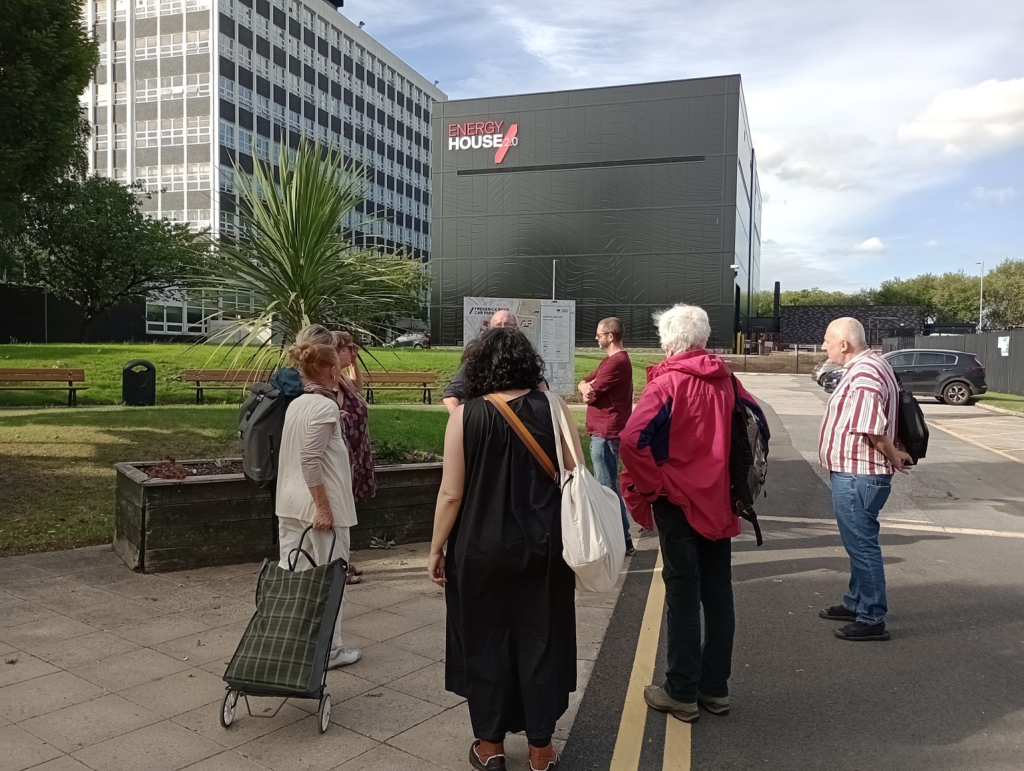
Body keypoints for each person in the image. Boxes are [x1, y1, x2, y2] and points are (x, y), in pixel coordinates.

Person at [429, 327, 579, 771]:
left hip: (479, 547)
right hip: (546, 545)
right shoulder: (553, 407)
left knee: (483, 639)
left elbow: (451, 494)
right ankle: (540, 750)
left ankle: (491, 745)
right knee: (543, 639)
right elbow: (575, 471)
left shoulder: (465, 416)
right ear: (527, 364)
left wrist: (437, 548)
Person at [619, 304, 756, 724]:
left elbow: (632, 441)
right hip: (720, 499)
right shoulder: (728, 380)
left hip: (679, 502)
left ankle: (680, 691)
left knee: (681, 596)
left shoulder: (669, 383)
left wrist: (654, 486)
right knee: (718, 596)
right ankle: (715, 689)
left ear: (669, 341)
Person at [817, 317, 911, 642]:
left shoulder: (865, 372)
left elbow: (871, 425)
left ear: (844, 344)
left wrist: (892, 453)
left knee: (861, 545)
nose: (824, 346)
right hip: (860, 472)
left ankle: (871, 617)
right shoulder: (874, 364)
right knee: (858, 542)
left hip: (859, 472)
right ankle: (856, 602)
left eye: (827, 340)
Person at [275, 323, 361, 668]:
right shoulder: (322, 407)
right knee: (328, 582)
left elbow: (308, 450)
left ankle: (289, 644)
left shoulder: (298, 404)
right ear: (333, 367)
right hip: (322, 511)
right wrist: (324, 508)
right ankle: (331, 650)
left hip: (290, 505)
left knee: (292, 579)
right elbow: (310, 460)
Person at [578, 317, 636, 556]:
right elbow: (584, 383)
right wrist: (583, 386)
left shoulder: (617, 362)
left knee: (606, 491)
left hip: (606, 433)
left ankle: (621, 542)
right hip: (603, 433)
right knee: (607, 489)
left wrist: (586, 389)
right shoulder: (608, 361)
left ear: (610, 336)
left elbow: (590, 393)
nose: (596, 338)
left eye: (599, 334)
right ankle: (621, 541)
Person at [332, 330, 376, 585]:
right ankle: (339, 565)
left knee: (346, 509)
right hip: (343, 455)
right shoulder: (330, 383)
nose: (353, 351)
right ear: (337, 352)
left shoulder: (341, 379)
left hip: (355, 452)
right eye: (349, 349)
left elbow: (358, 387)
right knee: (339, 510)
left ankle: (343, 560)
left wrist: (355, 362)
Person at [443, 310, 521, 414]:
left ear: (517, 329)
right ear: (490, 330)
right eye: (498, 325)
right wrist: (460, 420)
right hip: (483, 418)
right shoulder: (477, 357)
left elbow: (541, 389)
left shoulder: (525, 357)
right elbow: (451, 394)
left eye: (507, 324)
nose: (502, 329)